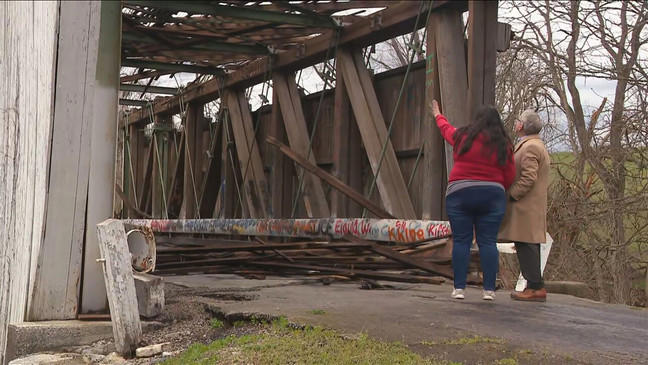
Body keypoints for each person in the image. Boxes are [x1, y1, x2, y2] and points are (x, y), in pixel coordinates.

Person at [430, 100, 515, 301]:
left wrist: (437, 115)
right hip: (492, 195)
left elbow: (446, 129)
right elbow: (510, 174)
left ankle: (459, 288)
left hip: (460, 192)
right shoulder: (504, 144)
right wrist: (499, 187)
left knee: (461, 240)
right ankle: (489, 290)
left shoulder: (463, 136)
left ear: (476, 121)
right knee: (487, 241)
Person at [498, 110, 551, 302]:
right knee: (526, 244)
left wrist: (511, 195)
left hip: (526, 206)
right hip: (528, 206)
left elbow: (529, 177)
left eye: (519, 120)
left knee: (526, 244)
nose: (516, 123)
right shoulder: (533, 145)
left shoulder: (530, 148)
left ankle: (535, 287)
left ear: (522, 126)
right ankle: (533, 285)